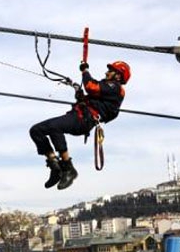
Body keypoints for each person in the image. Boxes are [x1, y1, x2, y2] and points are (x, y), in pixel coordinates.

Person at [30, 61, 130, 190]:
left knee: (55, 127)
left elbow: (90, 86)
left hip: (84, 120)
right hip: (78, 116)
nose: (106, 72)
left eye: (110, 71)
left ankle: (68, 168)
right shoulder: (108, 89)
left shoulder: (115, 87)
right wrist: (81, 97)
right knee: (36, 130)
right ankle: (55, 165)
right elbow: (93, 95)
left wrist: (85, 70)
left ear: (118, 76)